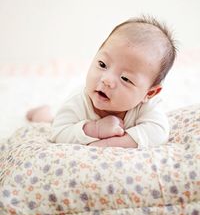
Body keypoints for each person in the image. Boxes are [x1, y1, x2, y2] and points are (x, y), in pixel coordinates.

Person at [27, 16, 177, 148]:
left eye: (125, 78)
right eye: (102, 65)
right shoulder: (79, 101)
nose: (106, 80)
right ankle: (40, 112)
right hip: (72, 121)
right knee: (49, 121)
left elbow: (159, 132)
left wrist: (111, 143)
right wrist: (95, 129)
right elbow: (58, 133)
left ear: (149, 93)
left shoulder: (146, 107)